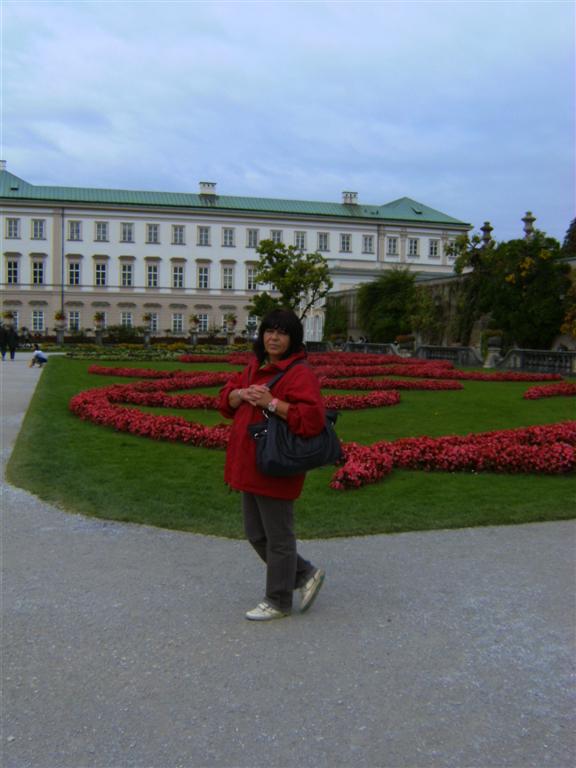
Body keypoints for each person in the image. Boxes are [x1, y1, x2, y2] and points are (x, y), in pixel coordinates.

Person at [218, 308, 327, 621]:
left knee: (278, 537)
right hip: (249, 464)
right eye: (269, 331)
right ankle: (305, 574)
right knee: (257, 535)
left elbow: (312, 420)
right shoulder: (255, 365)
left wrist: (272, 403)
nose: (274, 337)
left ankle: (278, 600)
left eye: (281, 332)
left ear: (292, 339)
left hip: (275, 464)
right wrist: (239, 393)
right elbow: (225, 401)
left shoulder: (298, 373)